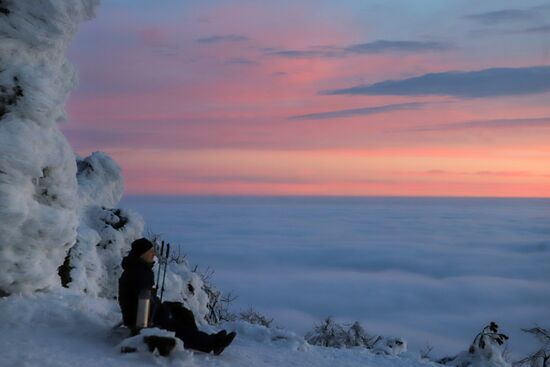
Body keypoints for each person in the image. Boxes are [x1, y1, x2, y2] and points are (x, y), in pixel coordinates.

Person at [118, 238, 236, 355]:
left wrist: (164, 306)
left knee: (181, 312)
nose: (153, 254)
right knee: (174, 325)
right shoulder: (138, 273)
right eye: (150, 251)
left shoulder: (140, 269)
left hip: (146, 311)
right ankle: (211, 344)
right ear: (142, 254)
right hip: (140, 319)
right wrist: (155, 316)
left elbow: (148, 297)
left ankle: (198, 338)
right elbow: (142, 300)